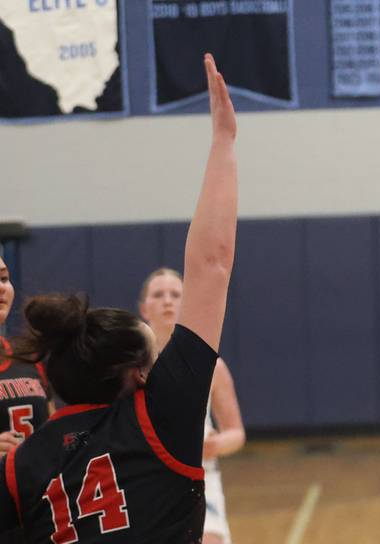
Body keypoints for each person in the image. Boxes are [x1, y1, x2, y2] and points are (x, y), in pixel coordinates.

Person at [0, 53, 238, 543]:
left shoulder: (21, 464)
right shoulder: (161, 419)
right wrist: (223, 142)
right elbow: (211, 264)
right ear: (140, 372)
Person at [139, 267, 245, 544]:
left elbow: (236, 433)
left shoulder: (211, 365)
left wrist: (216, 445)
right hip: (145, 477)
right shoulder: (130, 366)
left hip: (198, 478)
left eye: (176, 294)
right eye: (158, 294)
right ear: (143, 307)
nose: (167, 301)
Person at [0, 256, 54, 543]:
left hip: (39, 517)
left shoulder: (31, 358)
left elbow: (56, 430)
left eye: (3, 278)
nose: (0, 288)